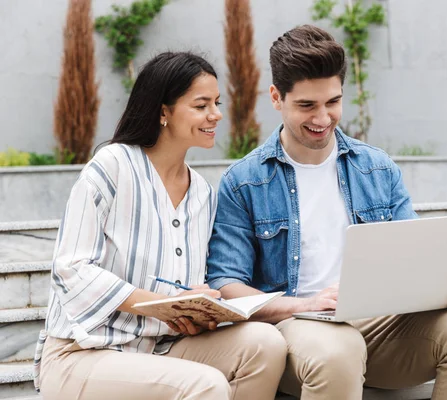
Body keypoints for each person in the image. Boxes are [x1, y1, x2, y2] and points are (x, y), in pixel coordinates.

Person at [206, 26, 447, 400]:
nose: (323, 117)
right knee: (338, 350)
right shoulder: (244, 181)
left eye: (333, 102)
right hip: (297, 329)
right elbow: (226, 283)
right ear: (276, 98)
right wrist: (306, 305)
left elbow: (415, 254)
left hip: (380, 328)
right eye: (307, 105)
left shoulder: (377, 168)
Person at [35, 51, 287, 400]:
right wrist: (156, 303)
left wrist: (195, 305)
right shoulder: (112, 166)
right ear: (163, 111)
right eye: (201, 106)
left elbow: (184, 282)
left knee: (266, 343)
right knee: (206, 385)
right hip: (82, 353)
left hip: (161, 347)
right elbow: (71, 269)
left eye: (216, 102)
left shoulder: (201, 193)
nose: (216, 114)